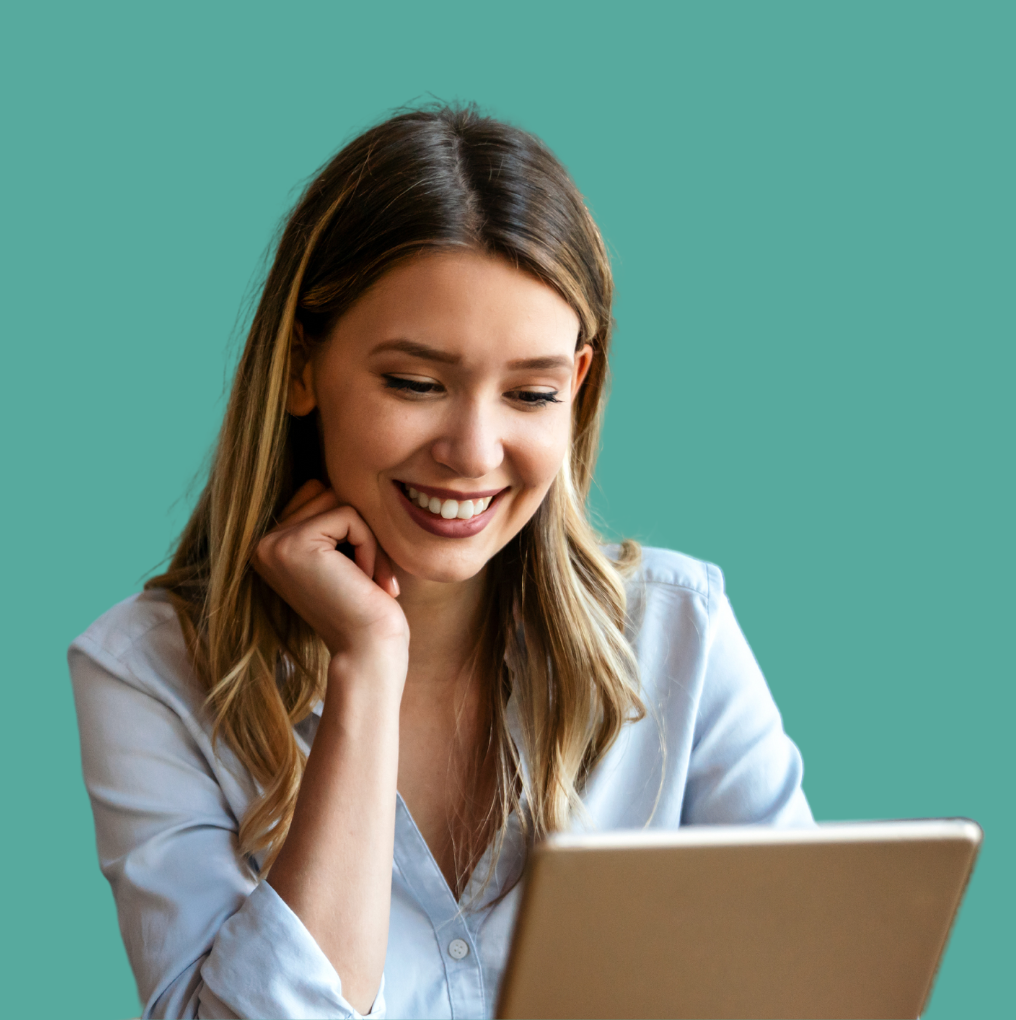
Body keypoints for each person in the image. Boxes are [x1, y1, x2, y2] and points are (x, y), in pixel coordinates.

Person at [69, 105, 813, 1020]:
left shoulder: (680, 633)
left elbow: (809, 985)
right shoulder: (149, 673)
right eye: (416, 384)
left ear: (576, 388)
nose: (472, 451)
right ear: (302, 365)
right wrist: (367, 668)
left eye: (531, 393)